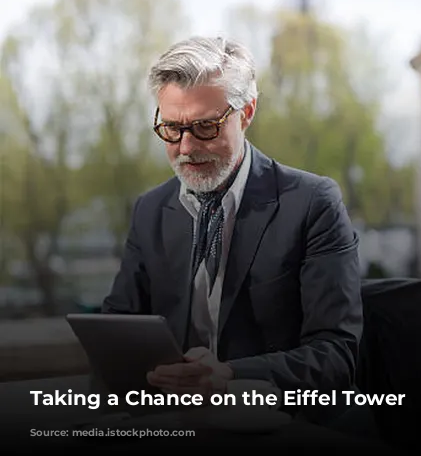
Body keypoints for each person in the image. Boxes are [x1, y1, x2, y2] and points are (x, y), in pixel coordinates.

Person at [100, 36, 367, 430]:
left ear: (247, 112)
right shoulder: (151, 210)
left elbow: (337, 356)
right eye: (171, 129)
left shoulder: (312, 203)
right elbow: (117, 326)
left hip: (280, 425)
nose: (186, 147)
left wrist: (229, 378)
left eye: (205, 126)